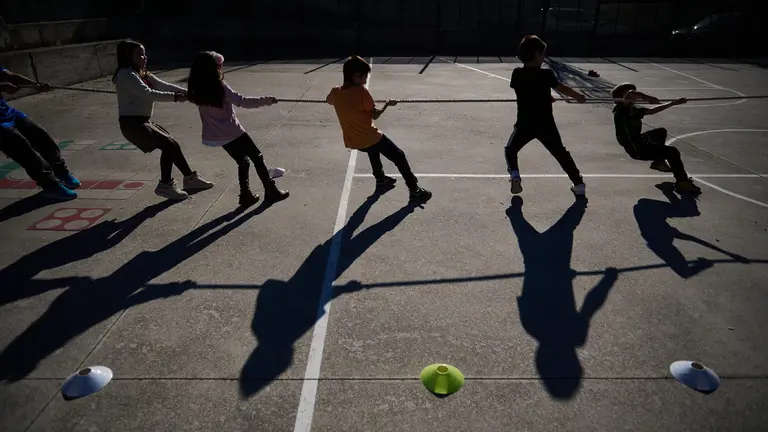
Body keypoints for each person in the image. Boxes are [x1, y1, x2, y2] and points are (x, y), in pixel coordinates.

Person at [113, 40, 213, 200]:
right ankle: (167, 184)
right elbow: (148, 93)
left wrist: (190, 94)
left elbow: (163, 86)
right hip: (133, 124)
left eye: (144, 54)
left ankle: (189, 179)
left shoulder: (142, 73)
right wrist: (175, 98)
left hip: (142, 121)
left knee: (171, 145)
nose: (144, 57)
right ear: (127, 56)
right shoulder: (126, 74)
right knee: (169, 145)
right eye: (139, 54)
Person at [186, 51, 288, 207]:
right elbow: (243, 102)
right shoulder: (219, 86)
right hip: (233, 132)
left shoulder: (196, 89)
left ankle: (246, 195)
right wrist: (267, 100)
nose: (221, 67)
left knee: (243, 162)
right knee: (257, 157)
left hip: (216, 136)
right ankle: (270, 190)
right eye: (219, 65)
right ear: (214, 67)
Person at [326, 56, 431, 202]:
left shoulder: (335, 92)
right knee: (399, 155)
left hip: (354, 141)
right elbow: (374, 115)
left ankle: (381, 180)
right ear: (356, 76)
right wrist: (387, 105)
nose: (365, 81)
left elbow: (329, 100)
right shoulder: (361, 92)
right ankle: (414, 190)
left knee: (372, 149)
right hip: (369, 137)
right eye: (364, 77)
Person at [505, 35, 588, 196]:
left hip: (524, 123)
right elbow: (561, 88)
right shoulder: (547, 74)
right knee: (560, 153)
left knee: (510, 150)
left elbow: (524, 92)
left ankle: (515, 175)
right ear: (537, 54)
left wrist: (543, 96)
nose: (544, 57)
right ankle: (578, 184)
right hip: (545, 124)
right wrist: (578, 96)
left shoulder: (517, 74)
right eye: (543, 54)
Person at [0, 67, 80, 199]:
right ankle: (50, 186)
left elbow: (9, 76)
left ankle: (61, 172)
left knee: (41, 136)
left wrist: (35, 85)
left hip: (8, 113)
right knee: (23, 149)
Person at [611, 83, 701, 194]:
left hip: (639, 141)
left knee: (660, 132)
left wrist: (673, 103)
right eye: (628, 92)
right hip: (636, 149)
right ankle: (682, 181)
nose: (633, 94)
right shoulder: (621, 110)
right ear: (621, 97)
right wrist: (649, 98)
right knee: (672, 152)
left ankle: (658, 162)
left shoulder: (633, 109)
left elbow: (652, 110)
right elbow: (630, 95)